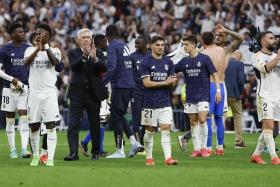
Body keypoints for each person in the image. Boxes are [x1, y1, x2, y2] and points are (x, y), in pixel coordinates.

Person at [64, 28, 108, 161]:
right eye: (83, 37)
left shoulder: (99, 52)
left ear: (92, 39)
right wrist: (84, 57)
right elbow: (73, 67)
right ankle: (73, 153)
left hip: (94, 94)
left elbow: (105, 67)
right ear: (78, 40)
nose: (86, 40)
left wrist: (95, 58)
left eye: (88, 37)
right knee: (73, 124)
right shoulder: (73, 52)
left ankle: (96, 152)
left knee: (95, 124)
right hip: (77, 93)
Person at [175, 35, 221, 157]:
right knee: (193, 123)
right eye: (183, 44)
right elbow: (171, 69)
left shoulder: (205, 58)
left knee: (202, 120)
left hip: (203, 95)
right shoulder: (184, 61)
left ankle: (205, 148)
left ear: (193, 45)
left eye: (186, 44)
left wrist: (218, 90)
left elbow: (215, 74)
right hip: (190, 96)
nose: (184, 47)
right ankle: (196, 149)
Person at [24, 24, 62, 166]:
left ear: (48, 35)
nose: (39, 35)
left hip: (49, 93)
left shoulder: (54, 50)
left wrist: (45, 47)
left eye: (42, 33)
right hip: (34, 92)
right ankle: (35, 156)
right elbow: (25, 64)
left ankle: (50, 158)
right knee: (34, 126)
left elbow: (55, 64)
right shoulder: (29, 49)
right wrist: (37, 50)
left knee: (51, 125)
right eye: (37, 33)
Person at [104, 25, 143, 159]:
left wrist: (102, 82)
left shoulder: (112, 46)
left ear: (107, 36)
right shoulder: (124, 44)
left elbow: (112, 67)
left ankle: (119, 150)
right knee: (119, 114)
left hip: (120, 85)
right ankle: (134, 142)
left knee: (115, 116)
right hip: (129, 84)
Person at [139, 36, 178, 166]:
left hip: (164, 101)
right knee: (149, 131)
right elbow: (147, 83)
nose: (161, 47)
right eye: (157, 45)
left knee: (166, 128)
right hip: (148, 102)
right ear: (151, 46)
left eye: (162, 44)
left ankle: (168, 158)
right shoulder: (145, 62)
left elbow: (171, 82)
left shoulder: (169, 62)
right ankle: (149, 157)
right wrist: (166, 82)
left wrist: (173, 82)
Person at [0, 23, 31, 159]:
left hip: (24, 89)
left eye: (23, 31)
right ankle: (13, 150)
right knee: (10, 121)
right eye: (19, 32)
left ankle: (24, 149)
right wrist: (12, 79)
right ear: (12, 34)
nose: (22, 34)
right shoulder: (4, 50)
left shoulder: (28, 49)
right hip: (8, 89)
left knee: (24, 119)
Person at [250, 31, 280, 165]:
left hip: (277, 96)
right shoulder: (256, 56)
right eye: (271, 38)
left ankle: (256, 155)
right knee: (269, 126)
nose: (274, 40)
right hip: (265, 95)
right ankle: (274, 157)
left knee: (268, 128)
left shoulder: (276, 55)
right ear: (263, 41)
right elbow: (266, 69)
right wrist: (278, 57)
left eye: (274, 38)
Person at [79, 34, 109, 157]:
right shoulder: (100, 53)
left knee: (102, 120)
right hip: (98, 90)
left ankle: (96, 147)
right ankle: (88, 143)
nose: (106, 43)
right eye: (104, 41)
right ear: (98, 43)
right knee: (100, 120)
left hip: (101, 90)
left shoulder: (101, 54)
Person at [200, 31, 226, 155]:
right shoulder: (221, 50)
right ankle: (220, 147)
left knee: (208, 118)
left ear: (203, 41)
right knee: (219, 118)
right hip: (221, 85)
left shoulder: (203, 53)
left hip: (210, 86)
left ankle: (209, 147)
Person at [130, 35, 149, 152]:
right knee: (136, 119)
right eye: (135, 43)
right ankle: (137, 145)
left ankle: (141, 141)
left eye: (139, 43)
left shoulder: (151, 56)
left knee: (149, 120)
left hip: (149, 90)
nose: (136, 45)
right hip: (136, 91)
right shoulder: (132, 57)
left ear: (146, 43)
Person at [224, 51, 245, 148]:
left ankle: (220, 141)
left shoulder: (223, 61)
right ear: (239, 56)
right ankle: (238, 141)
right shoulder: (239, 64)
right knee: (237, 116)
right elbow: (241, 80)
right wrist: (240, 92)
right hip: (234, 94)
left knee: (221, 117)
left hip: (223, 94)